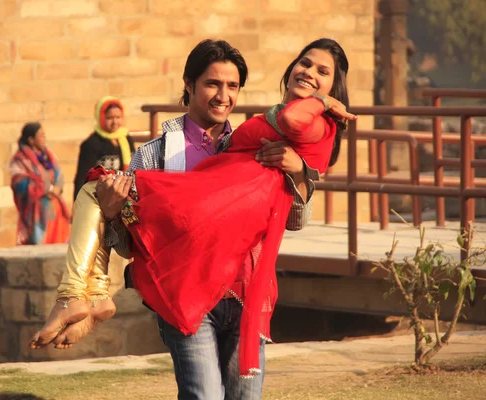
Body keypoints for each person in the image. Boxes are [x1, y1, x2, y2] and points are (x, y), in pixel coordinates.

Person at [32, 38, 354, 398]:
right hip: (186, 296)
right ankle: (85, 296)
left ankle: (84, 297)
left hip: (247, 294)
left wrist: (297, 174)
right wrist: (112, 213)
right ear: (189, 85)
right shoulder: (155, 155)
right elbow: (131, 243)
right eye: (212, 84)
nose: (223, 96)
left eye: (232, 87)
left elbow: (296, 220)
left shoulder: (253, 145)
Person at [10, 122, 71, 245]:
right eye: (41, 135)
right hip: (36, 212)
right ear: (31, 140)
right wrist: (45, 188)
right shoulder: (20, 160)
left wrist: (57, 188)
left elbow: (58, 174)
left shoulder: (49, 156)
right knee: (40, 245)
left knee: (60, 244)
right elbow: (18, 182)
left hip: (55, 207)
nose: (44, 138)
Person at [73, 96, 135, 200]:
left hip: (125, 195)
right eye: (110, 118)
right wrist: (78, 204)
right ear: (101, 118)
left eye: (118, 117)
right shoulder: (91, 144)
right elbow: (82, 178)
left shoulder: (127, 139)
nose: (115, 122)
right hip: (99, 197)